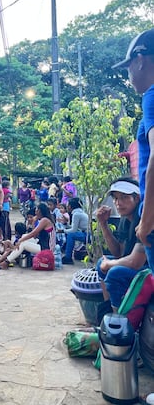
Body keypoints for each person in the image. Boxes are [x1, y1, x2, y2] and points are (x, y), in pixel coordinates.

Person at [112, 28, 154, 272]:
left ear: (140, 61)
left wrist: (147, 220)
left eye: (128, 67)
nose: (128, 74)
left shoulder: (151, 95)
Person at [96, 177, 148, 311]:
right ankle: (108, 309)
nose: (118, 203)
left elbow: (136, 262)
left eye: (124, 197)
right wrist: (103, 224)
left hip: (149, 269)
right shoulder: (125, 219)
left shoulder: (143, 218)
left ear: (136, 199)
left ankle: (119, 321)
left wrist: (109, 264)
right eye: (116, 198)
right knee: (101, 263)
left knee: (115, 272)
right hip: (139, 265)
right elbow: (119, 253)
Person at [0, 203, 55, 269]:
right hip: (42, 244)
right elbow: (35, 236)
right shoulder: (42, 220)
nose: (35, 212)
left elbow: (33, 233)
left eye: (36, 210)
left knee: (23, 243)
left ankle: (6, 262)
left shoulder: (45, 220)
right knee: (24, 236)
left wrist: (20, 240)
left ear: (39, 211)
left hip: (47, 249)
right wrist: (33, 222)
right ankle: (10, 253)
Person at [62, 197, 89, 264]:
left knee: (71, 235)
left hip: (87, 235)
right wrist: (65, 224)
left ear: (70, 206)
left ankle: (68, 257)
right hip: (87, 233)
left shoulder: (76, 214)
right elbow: (74, 228)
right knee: (71, 234)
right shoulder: (80, 212)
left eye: (67, 205)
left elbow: (73, 230)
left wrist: (63, 231)